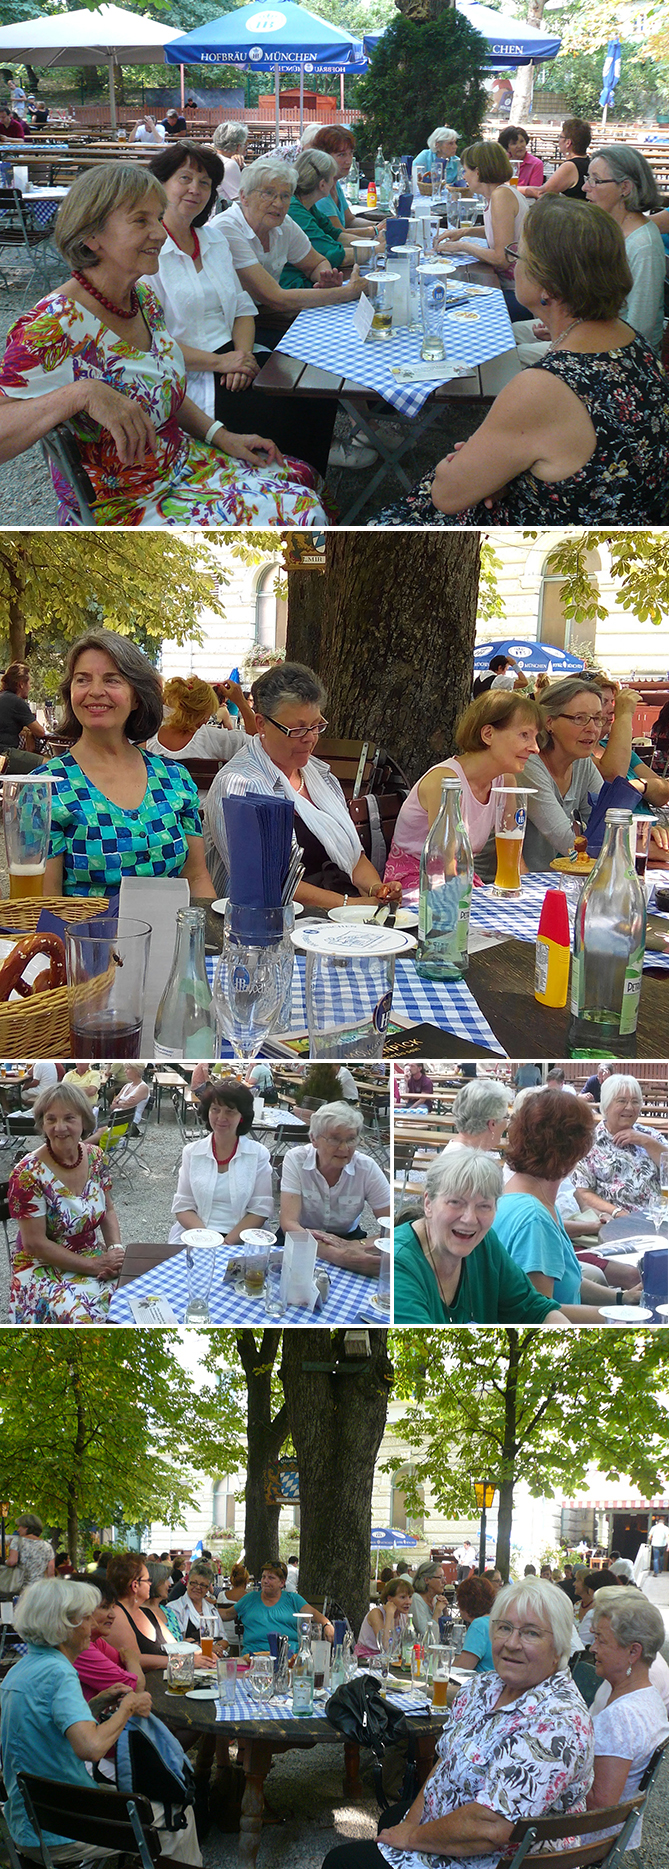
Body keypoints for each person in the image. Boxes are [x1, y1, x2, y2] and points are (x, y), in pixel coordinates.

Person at [0, 164, 325, 526]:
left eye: (157, 217)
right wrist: (80, 394)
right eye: (141, 221)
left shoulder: (140, 298)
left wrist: (223, 436)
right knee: (300, 513)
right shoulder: (52, 325)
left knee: (299, 474)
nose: (160, 232)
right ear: (92, 235)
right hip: (127, 502)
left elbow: (160, 386)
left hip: (182, 464)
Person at [379, 196, 669, 527]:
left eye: (520, 256)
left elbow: (446, 496)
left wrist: (472, 461)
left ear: (549, 285)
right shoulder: (633, 341)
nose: (514, 265)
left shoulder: (544, 387)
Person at [323, 1578, 594, 1869]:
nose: (512, 1644)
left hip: (505, 1858)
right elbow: (445, 1763)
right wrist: (412, 1820)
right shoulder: (483, 1686)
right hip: (460, 1822)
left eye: (531, 1633)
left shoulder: (558, 1721)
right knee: (392, 1819)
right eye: (504, 1628)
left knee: (342, 1862)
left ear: (559, 1646)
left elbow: (491, 1828)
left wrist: (412, 1836)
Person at [145, 142, 334, 480]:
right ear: (160, 184)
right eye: (184, 178)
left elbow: (242, 308)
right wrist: (222, 362)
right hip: (189, 375)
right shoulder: (149, 251)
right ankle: (275, 487)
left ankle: (308, 487)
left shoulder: (213, 240)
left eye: (205, 183)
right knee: (282, 410)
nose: (195, 189)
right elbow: (150, 343)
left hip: (234, 356)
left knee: (318, 388)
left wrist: (241, 355)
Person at [204, 662, 402, 912]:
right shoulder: (239, 785)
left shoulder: (320, 774)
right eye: (297, 729)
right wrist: (353, 905)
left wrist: (377, 890)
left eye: (316, 726)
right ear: (261, 724)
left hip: (338, 912)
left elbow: (353, 856)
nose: (310, 738)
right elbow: (270, 883)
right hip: (268, 922)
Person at [41, 630, 214, 899]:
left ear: (136, 697)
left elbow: (197, 877)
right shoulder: (46, 788)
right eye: (82, 680)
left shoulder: (174, 778)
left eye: (112, 680)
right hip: (83, 939)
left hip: (171, 939)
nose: (95, 691)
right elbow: (44, 906)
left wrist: (207, 939)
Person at [0, 1578, 158, 1867]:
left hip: (28, 1817)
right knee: (170, 1817)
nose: (91, 1626)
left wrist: (98, 1702)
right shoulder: (59, 1672)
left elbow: (51, 1728)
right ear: (64, 1626)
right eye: (85, 1618)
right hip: (61, 1830)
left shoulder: (21, 1670)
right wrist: (128, 1706)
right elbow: (92, 1747)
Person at [492, 1088, 639, 1321]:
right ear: (574, 1149)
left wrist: (621, 1299)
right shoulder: (534, 1218)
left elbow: (565, 1278)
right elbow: (540, 1314)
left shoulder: (526, 1195)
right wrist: (622, 1317)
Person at [384, 690, 541, 892]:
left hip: (462, 881)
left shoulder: (505, 782)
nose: (535, 748)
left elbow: (515, 865)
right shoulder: (446, 781)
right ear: (488, 734)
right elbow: (445, 867)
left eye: (535, 737)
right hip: (417, 886)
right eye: (524, 735)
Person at [394, 1149, 571, 1327]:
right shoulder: (399, 1264)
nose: (470, 1219)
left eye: (484, 1206)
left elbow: (536, 1311)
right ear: (428, 1204)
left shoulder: (485, 1244)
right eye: (455, 1202)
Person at [8, 1081, 124, 1326]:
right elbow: (35, 1244)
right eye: (51, 1120)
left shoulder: (95, 1157)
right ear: (42, 1123)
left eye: (69, 1118)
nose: (59, 1128)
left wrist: (114, 1250)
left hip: (93, 1254)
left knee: (136, 1298)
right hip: (42, 1267)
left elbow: (109, 1208)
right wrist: (93, 1266)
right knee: (86, 1319)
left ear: (84, 1120)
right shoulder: (27, 1174)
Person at [215, 157, 363, 344]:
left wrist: (323, 277)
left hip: (266, 317)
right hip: (229, 332)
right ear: (243, 196)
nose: (278, 203)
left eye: (285, 196)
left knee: (338, 339)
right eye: (268, 193)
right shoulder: (227, 228)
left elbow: (316, 263)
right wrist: (348, 292)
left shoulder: (283, 223)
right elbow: (275, 298)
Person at [588, 1588, 669, 1846]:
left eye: (601, 1640)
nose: (592, 1648)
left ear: (633, 1652)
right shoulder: (648, 1696)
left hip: (588, 1842)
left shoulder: (623, 1716)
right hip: (617, 1835)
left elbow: (600, 1806)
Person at [280, 1101, 390, 1278]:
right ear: (313, 1139)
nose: (344, 1148)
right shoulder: (296, 1159)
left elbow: (394, 1227)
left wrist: (356, 1246)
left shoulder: (366, 1168)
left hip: (349, 1239)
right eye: (335, 1139)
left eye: (351, 1139)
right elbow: (289, 1224)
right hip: (300, 1236)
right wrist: (337, 1255)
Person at [581, 146, 665, 354]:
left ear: (625, 188)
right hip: (594, 333)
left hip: (625, 356)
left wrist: (575, 337)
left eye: (595, 180)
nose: (585, 187)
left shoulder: (643, 245)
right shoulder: (608, 228)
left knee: (514, 355)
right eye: (587, 177)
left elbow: (639, 327)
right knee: (515, 334)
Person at [170, 1079, 273, 1247]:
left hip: (243, 1237)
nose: (221, 1117)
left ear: (242, 1116)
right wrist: (207, 1241)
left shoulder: (258, 1154)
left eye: (230, 1111)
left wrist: (226, 1243)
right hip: (198, 1235)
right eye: (215, 1109)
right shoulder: (192, 1152)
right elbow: (183, 1206)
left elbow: (260, 1210)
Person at [520, 677, 606, 871]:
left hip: (547, 882)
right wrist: (627, 843)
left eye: (597, 718)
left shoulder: (582, 763)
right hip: (496, 888)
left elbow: (606, 819)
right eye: (580, 718)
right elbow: (567, 840)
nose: (592, 729)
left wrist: (643, 834)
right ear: (549, 722)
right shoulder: (528, 764)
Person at [435, 141, 530, 305]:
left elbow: (501, 258)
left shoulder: (501, 197)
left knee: (453, 301)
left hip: (519, 294)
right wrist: (464, 232)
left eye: (466, 171)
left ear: (478, 172)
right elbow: (502, 231)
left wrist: (463, 246)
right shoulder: (500, 193)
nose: (464, 176)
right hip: (513, 287)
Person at [571, 1073, 668, 1218]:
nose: (629, 1107)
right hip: (620, 1224)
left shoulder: (651, 1135)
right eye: (622, 1101)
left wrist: (646, 1142)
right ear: (606, 1105)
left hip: (660, 1217)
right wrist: (619, 1214)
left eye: (635, 1102)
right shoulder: (588, 1143)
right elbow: (583, 1192)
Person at [219, 1560, 334, 1655]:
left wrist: (327, 1624)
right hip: (253, 1657)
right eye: (264, 1577)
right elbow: (227, 1614)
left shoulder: (293, 1599)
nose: (265, 1581)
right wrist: (203, 1608)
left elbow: (313, 1613)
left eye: (271, 1578)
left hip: (288, 1657)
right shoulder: (250, 1599)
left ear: (282, 1583)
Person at [145, 674, 251, 763]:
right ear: (204, 715)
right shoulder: (215, 739)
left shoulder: (150, 739)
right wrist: (241, 702)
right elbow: (259, 744)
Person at [284, 149, 356, 277]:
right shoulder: (295, 210)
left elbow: (335, 234)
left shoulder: (306, 204)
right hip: (293, 282)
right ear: (322, 185)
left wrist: (374, 242)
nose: (335, 183)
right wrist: (376, 249)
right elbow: (333, 254)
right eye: (333, 179)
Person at [311, 126, 379, 237]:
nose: (349, 161)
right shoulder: (320, 189)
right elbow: (339, 234)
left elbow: (350, 221)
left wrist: (381, 225)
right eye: (341, 155)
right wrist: (376, 230)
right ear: (324, 156)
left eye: (351, 153)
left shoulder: (334, 182)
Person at [520, 117, 592, 200]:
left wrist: (510, 187)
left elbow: (542, 193)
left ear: (568, 143)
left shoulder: (570, 166)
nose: (558, 141)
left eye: (560, 137)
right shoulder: (588, 161)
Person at [443, 1079, 509, 1153]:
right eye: (506, 1117)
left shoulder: (455, 1150)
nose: (507, 1122)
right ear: (492, 1124)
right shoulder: (471, 1161)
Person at [166, 1560, 225, 1642]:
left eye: (202, 1585)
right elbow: (175, 1641)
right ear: (187, 1584)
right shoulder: (173, 1608)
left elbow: (224, 1639)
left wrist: (218, 1647)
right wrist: (206, 1648)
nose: (197, 1587)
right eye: (194, 1583)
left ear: (208, 1589)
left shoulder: (212, 1610)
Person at [92, 1063, 150, 1144]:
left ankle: (83, 1148)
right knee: (93, 1129)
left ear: (136, 1071)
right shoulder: (127, 1086)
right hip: (116, 1119)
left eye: (127, 1069)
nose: (125, 1071)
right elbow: (112, 1106)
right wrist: (122, 1102)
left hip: (129, 1122)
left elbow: (128, 1105)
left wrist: (118, 1101)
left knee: (100, 1132)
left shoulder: (143, 1087)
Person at [356, 1577, 413, 1657]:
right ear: (389, 1599)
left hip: (390, 1659)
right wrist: (390, 1614)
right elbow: (386, 1646)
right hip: (367, 1659)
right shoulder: (376, 1613)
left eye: (410, 1597)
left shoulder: (403, 1616)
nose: (408, 1602)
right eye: (403, 1597)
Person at [1, 1514, 55, 1595]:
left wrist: (5, 1562)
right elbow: (51, 1572)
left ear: (27, 1527)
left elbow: (12, 1562)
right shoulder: (48, 1546)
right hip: (41, 1590)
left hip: (22, 1589)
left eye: (20, 1527)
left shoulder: (17, 1542)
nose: (18, 1530)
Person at [454, 1575, 497, 1672]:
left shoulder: (479, 1625)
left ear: (464, 1602)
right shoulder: (494, 1620)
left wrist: (440, 1664)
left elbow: (464, 1666)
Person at [0, 662, 39, 751]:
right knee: (48, 762)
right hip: (5, 753)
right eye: (29, 683)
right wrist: (29, 732)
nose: (30, 687)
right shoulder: (17, 702)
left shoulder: (3, 696)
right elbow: (40, 732)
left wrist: (26, 731)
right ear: (21, 684)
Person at [412, 126, 465, 191]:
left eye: (455, 143)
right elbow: (412, 177)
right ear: (437, 145)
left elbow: (463, 185)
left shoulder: (457, 162)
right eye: (450, 143)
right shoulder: (425, 155)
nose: (455, 146)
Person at [211, 122, 248, 203]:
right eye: (244, 145)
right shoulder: (229, 164)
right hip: (223, 213)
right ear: (238, 147)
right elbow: (241, 200)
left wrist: (242, 166)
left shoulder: (214, 158)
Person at [409, 1563, 448, 1641]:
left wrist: (445, 1610)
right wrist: (438, 1611)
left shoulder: (436, 1599)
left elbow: (446, 1633)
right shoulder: (416, 1599)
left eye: (444, 1577)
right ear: (426, 1580)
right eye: (440, 1578)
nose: (445, 1582)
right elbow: (428, 1637)